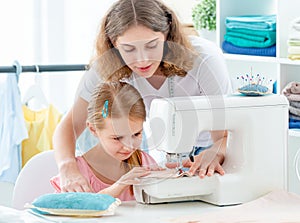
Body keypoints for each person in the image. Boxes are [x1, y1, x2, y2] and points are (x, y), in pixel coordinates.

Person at [53, 0, 232, 193]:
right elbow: (68, 128)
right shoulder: (105, 67)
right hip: (169, 155)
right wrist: (67, 167)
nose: (142, 59)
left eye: (152, 45)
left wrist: (216, 151)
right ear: (114, 44)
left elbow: (224, 136)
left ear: (167, 35)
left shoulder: (204, 60)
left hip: (210, 150)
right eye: (129, 49)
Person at [51, 82, 159, 200]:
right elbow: (71, 213)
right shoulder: (76, 175)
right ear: (93, 129)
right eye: (118, 138)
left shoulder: (144, 162)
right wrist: (119, 185)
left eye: (136, 134)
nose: (129, 146)